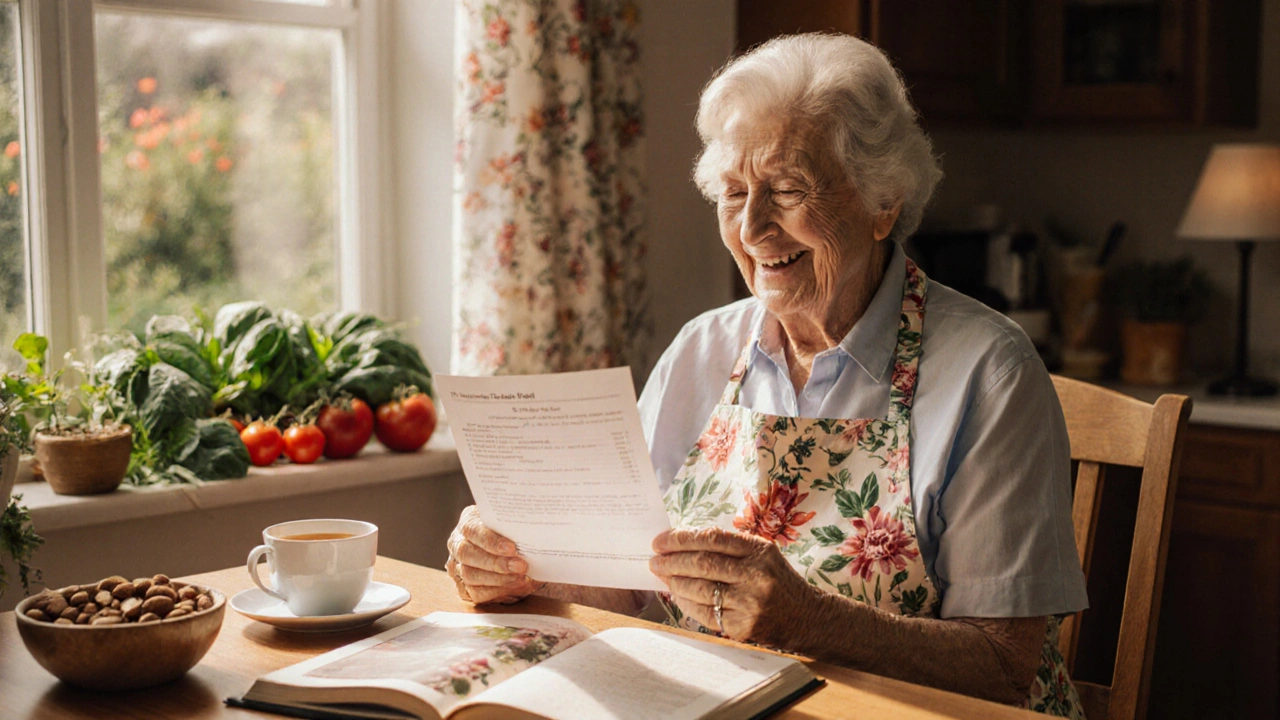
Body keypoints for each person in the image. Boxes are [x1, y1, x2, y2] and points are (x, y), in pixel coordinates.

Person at [445, 33, 1088, 717]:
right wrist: (518, 566)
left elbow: (1004, 666)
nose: (752, 227)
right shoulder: (703, 349)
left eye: (786, 189)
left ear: (883, 203)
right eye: (733, 192)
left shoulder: (990, 374)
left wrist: (813, 621)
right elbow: (627, 584)